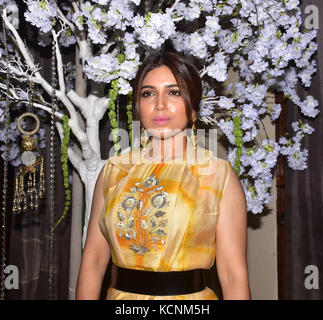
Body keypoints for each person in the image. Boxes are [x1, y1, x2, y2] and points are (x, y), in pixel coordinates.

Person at [76, 51, 251, 300]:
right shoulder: (114, 171)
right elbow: (93, 261)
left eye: (174, 92)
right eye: (148, 93)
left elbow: (233, 274)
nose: (160, 104)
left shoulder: (217, 175)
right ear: (138, 106)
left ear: (193, 107)